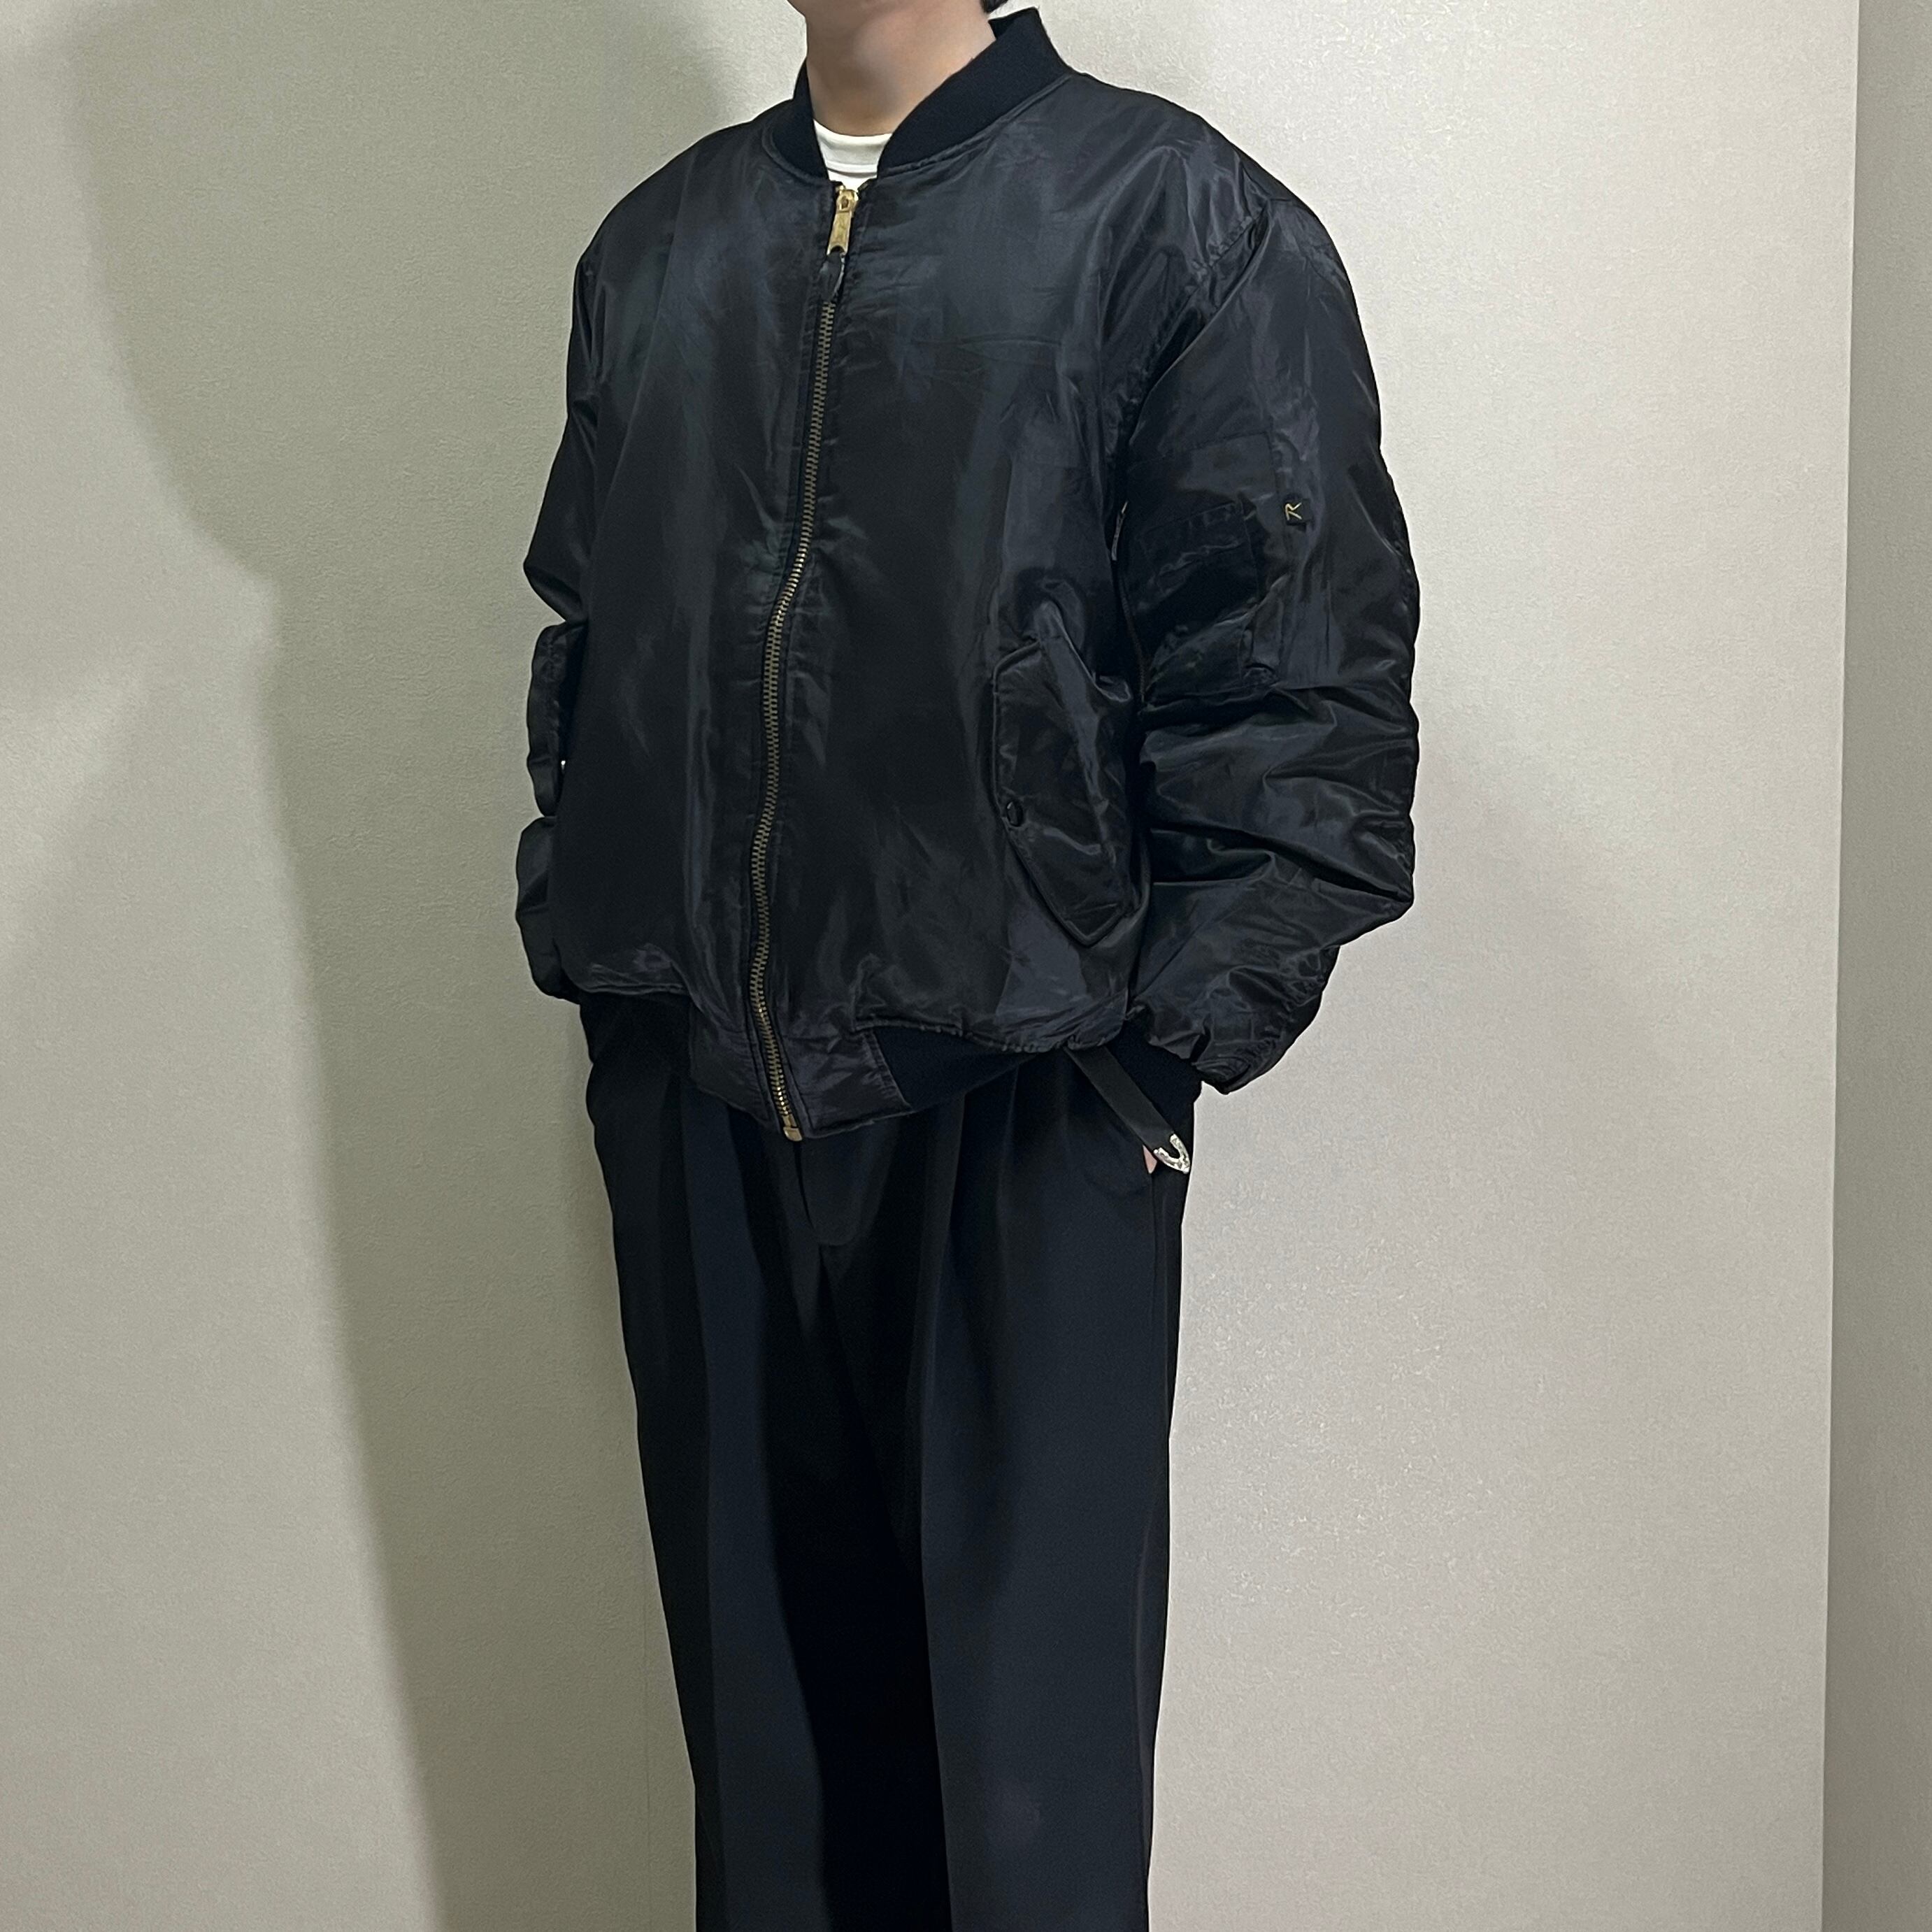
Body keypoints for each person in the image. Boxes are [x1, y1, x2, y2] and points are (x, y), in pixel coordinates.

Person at [515, 2, 1419, 1924]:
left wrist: (1144, 1065)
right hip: (702, 1088)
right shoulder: (661, 247)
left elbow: (1302, 691)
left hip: (1030, 1092)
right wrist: (610, 971)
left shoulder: (1175, 222)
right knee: (770, 1784)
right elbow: (592, 634)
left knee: (1023, 1808)